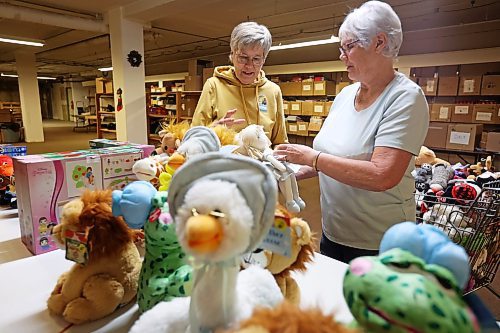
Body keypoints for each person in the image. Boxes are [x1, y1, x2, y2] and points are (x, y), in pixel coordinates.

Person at [274, 0, 429, 264]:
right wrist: (285, 172)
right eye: (341, 48)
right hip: (334, 233)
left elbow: (382, 175)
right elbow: (330, 157)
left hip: (380, 244)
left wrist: (312, 158)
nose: (341, 56)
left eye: (349, 46)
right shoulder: (346, 95)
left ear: (379, 43)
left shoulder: (405, 98)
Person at [192, 21, 288, 145]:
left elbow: (280, 143)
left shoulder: (273, 91)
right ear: (232, 55)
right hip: (223, 163)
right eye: (243, 57)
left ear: (264, 60)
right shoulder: (214, 86)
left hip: (261, 164)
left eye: (256, 59)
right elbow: (193, 137)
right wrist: (215, 129)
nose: (249, 66)